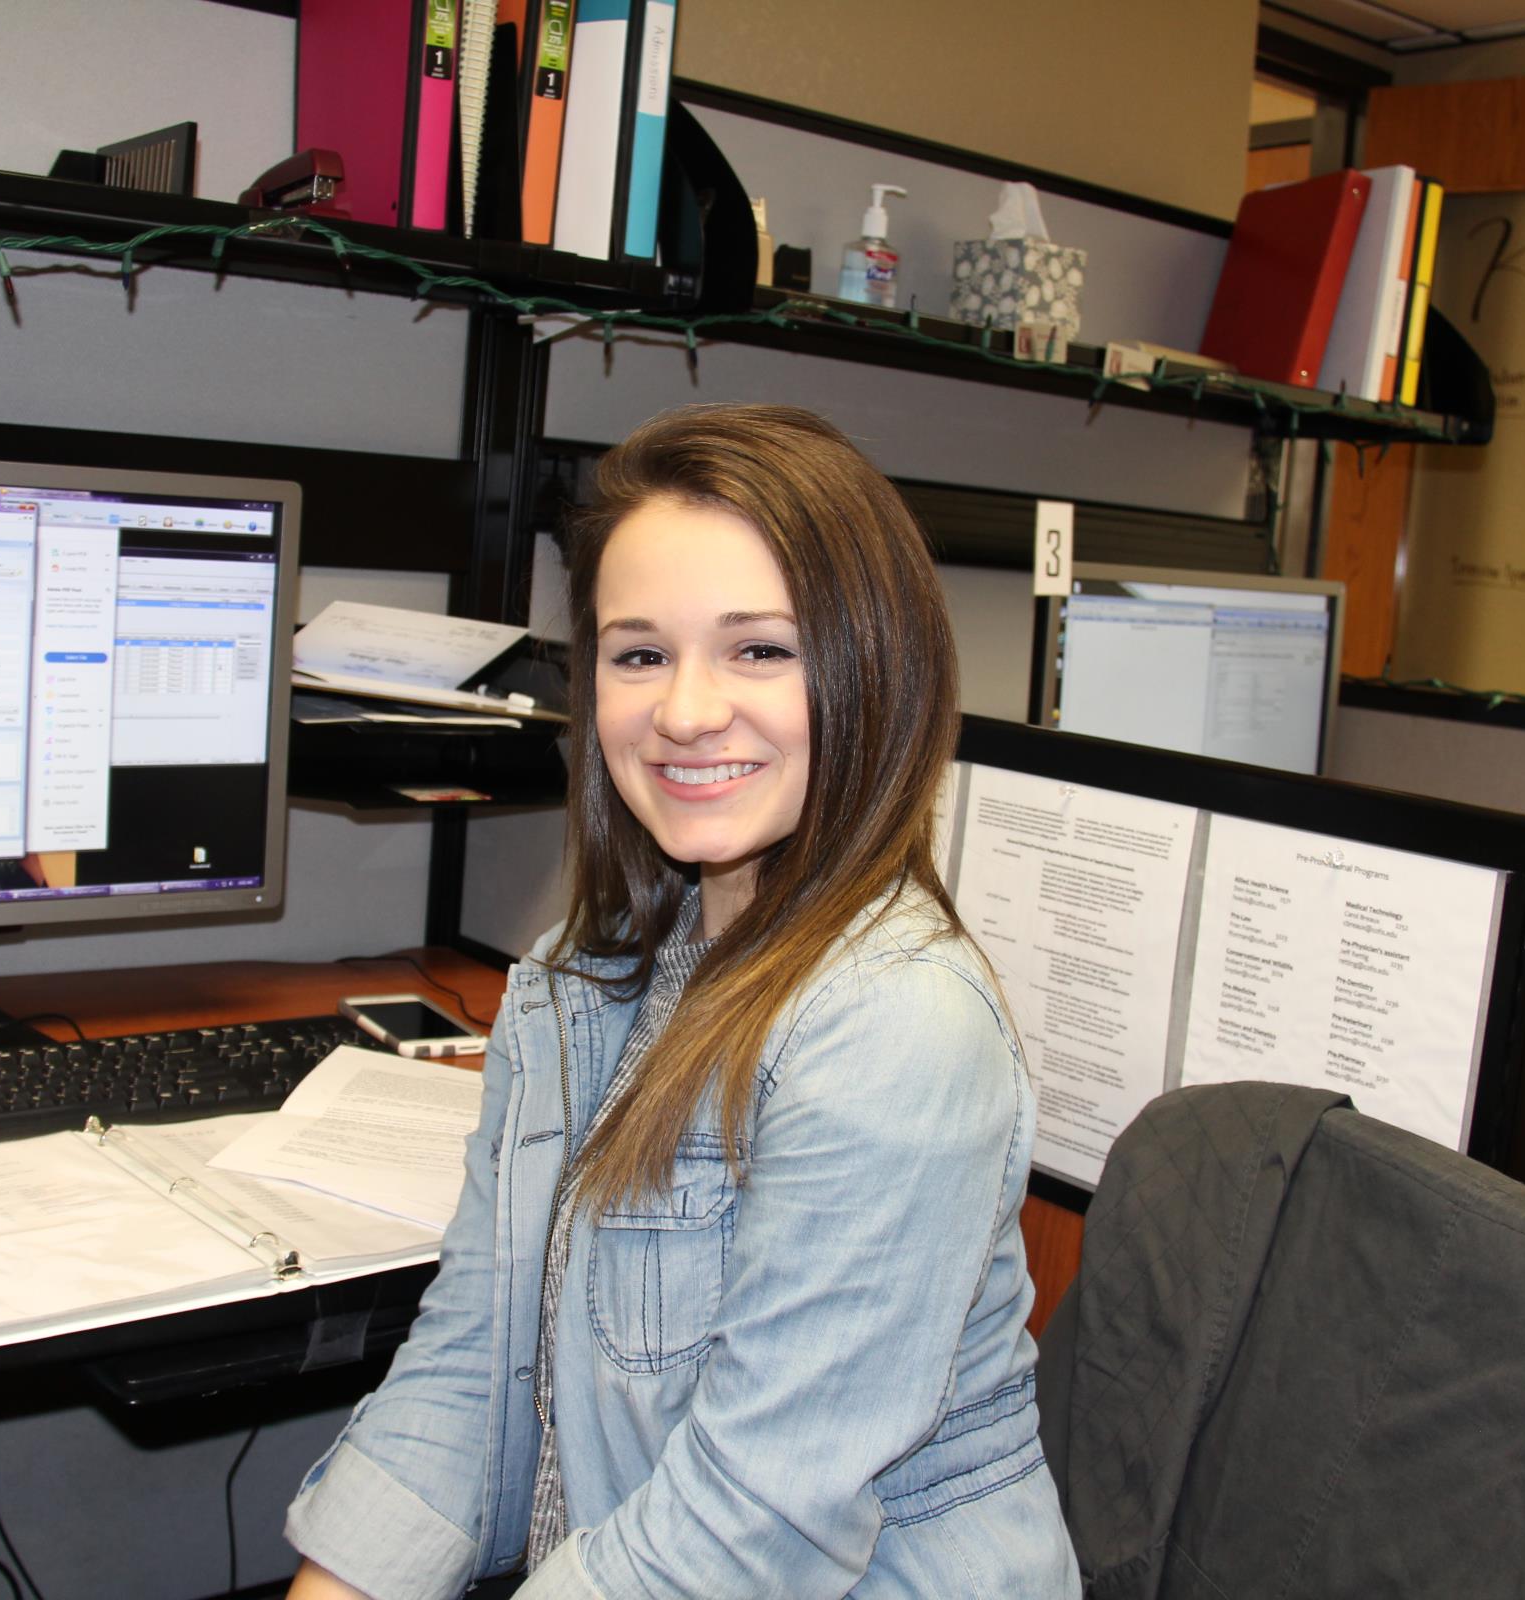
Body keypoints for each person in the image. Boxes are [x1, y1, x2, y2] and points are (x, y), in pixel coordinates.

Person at [282, 404, 1081, 1599]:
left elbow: (748, 1526)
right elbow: (473, 1358)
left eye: (761, 649)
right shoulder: (578, 976)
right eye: (639, 652)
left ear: (875, 669)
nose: (687, 711)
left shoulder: (896, 1028)